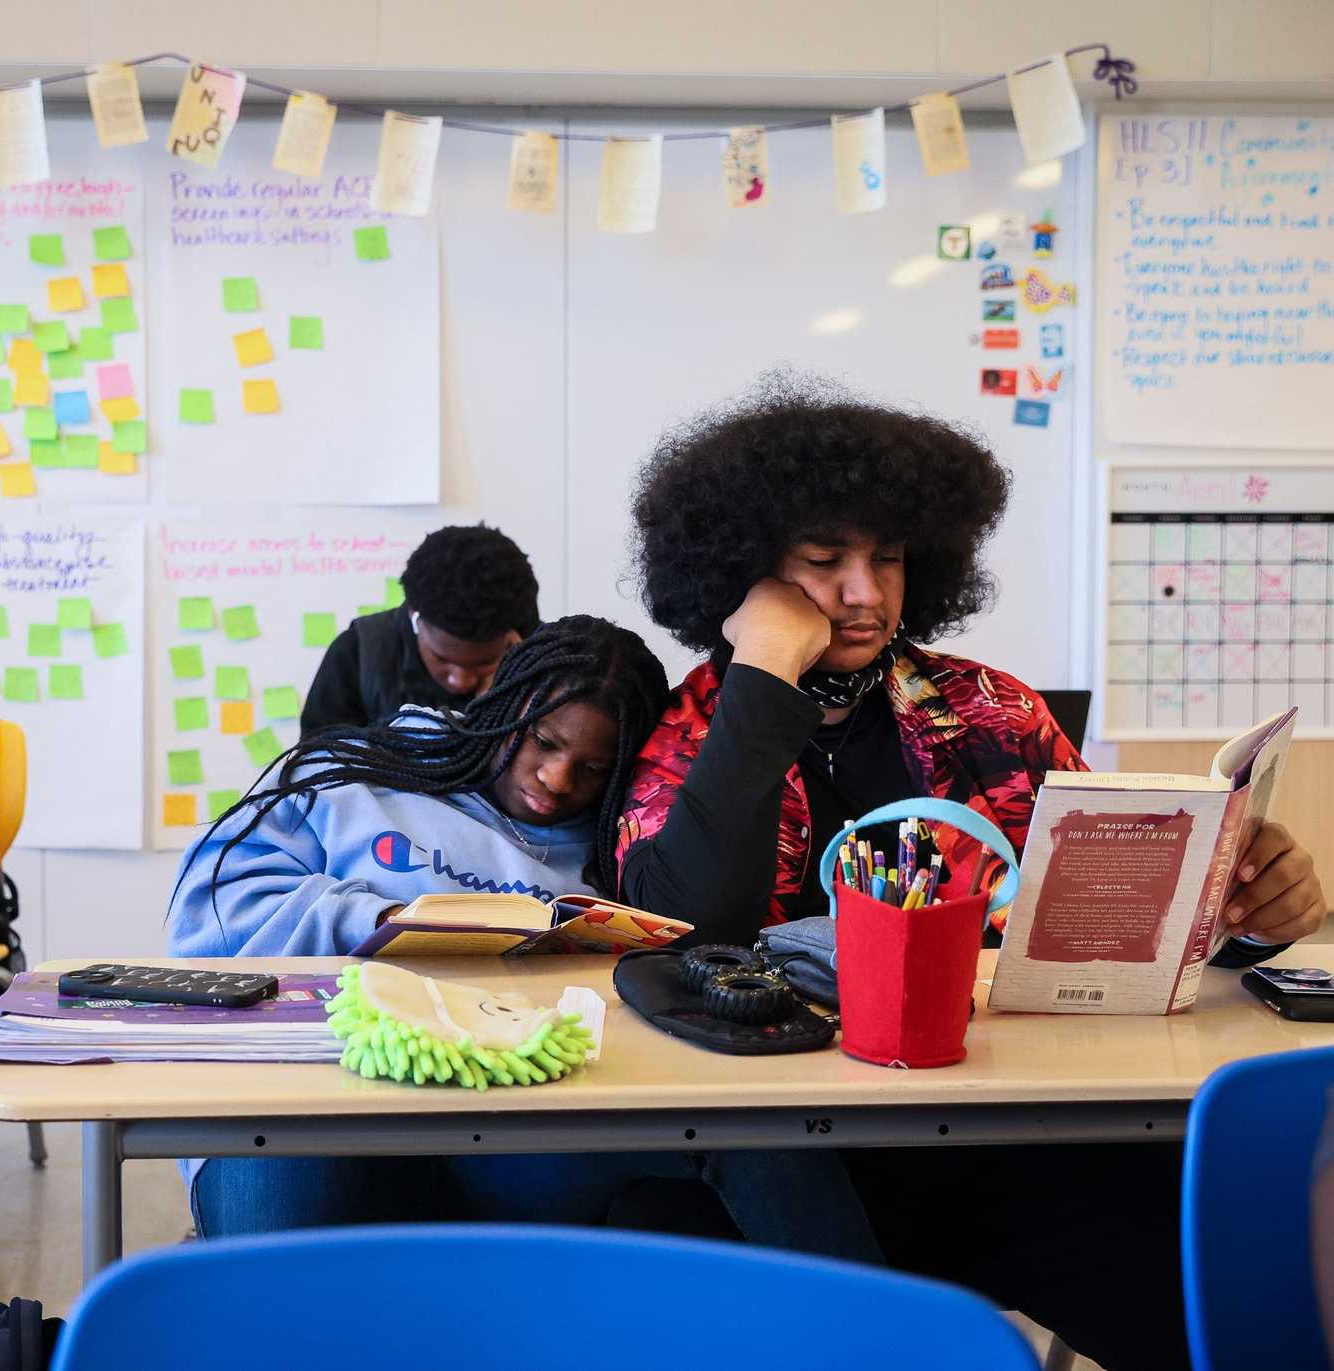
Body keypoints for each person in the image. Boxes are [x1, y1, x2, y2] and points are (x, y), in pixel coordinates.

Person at [616, 376, 1328, 1371]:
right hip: (798, 1156)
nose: (864, 594)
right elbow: (680, 933)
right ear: (745, 574)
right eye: (822, 563)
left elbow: (1120, 919)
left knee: (1205, 1266)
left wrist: (1247, 913)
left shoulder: (990, 712)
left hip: (1003, 1134)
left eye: (889, 559)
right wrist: (763, 676)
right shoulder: (694, 728)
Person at [168, 615, 877, 1260]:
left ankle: (888, 1340)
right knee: (291, 1233)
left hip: (505, 1131)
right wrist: (385, 922)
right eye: (543, 741)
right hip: (314, 1106)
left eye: (596, 767)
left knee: (752, 1128)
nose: (559, 777)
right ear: (503, 706)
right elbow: (211, 908)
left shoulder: (614, 848)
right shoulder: (360, 773)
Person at [299, 523, 540, 733]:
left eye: (483, 663)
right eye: (442, 660)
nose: (460, 681)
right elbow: (316, 770)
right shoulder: (357, 655)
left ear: (514, 636)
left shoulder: (548, 660)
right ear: (414, 617)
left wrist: (511, 697)